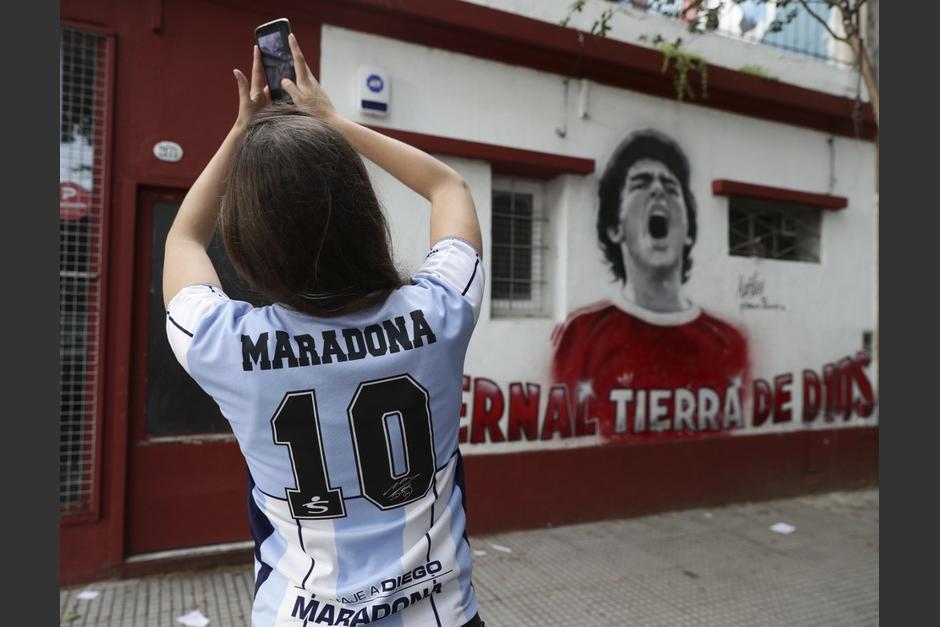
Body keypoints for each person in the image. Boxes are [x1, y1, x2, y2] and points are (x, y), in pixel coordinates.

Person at [163, 35, 485, 626]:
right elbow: (449, 188)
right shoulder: (438, 314)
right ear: (364, 213)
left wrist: (240, 134)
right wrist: (333, 120)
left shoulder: (225, 346)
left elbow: (183, 238)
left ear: (251, 247)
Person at [551, 129, 748, 438]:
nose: (658, 191)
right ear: (615, 227)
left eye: (671, 186)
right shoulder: (582, 336)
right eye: (641, 184)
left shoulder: (729, 342)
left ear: (689, 232)